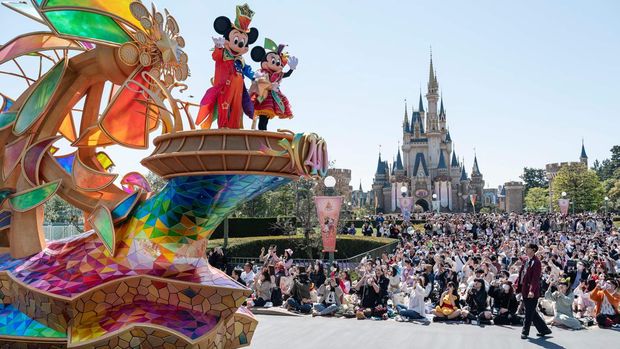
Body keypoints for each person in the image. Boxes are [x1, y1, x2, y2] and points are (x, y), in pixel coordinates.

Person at [515, 243, 552, 339]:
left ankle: (525, 332)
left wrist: (531, 290)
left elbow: (535, 279)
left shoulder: (537, 262)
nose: (526, 250)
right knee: (531, 312)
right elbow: (522, 272)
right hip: (524, 289)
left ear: (533, 250)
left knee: (528, 312)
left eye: (528, 248)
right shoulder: (527, 260)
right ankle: (544, 329)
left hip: (532, 292)